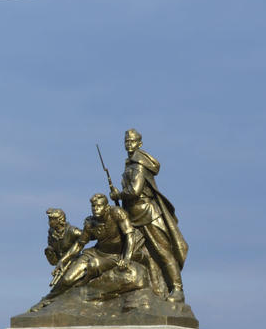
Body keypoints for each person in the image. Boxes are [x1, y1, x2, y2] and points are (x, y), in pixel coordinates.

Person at [109, 128, 188, 302]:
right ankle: (154, 291)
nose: (129, 144)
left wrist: (118, 195)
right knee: (142, 255)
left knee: (163, 252)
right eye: (126, 142)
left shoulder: (138, 165)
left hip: (147, 214)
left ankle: (178, 290)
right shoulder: (130, 164)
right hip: (134, 215)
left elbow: (135, 191)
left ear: (139, 143)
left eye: (132, 141)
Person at [30, 193, 143, 311]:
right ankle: (46, 300)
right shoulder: (90, 222)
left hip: (114, 255)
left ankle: (82, 287)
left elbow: (130, 235)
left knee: (94, 265)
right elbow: (80, 244)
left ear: (106, 207)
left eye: (99, 206)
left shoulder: (117, 213)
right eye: (93, 206)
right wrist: (63, 261)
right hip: (95, 252)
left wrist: (126, 258)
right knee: (67, 279)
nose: (95, 209)